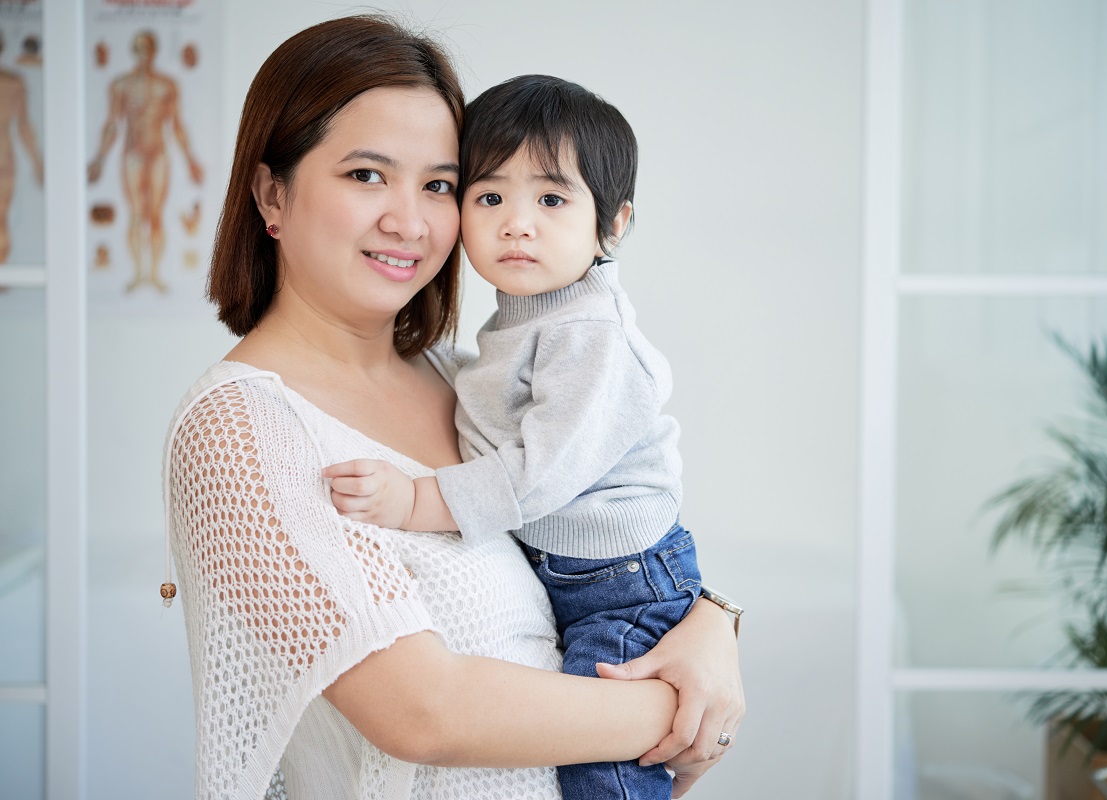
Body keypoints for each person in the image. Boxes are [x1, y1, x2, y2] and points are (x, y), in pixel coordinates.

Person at [162, 15, 743, 800]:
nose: (410, 220)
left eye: (438, 184)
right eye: (367, 175)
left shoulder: (457, 376)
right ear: (273, 193)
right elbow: (424, 713)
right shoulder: (241, 429)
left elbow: (594, 527)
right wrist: (677, 711)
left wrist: (713, 621)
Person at [323, 74, 712, 800]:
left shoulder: (589, 332)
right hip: (578, 569)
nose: (516, 222)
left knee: (604, 770)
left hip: (620, 585)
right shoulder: (522, 319)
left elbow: (538, 473)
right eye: (490, 196)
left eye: (552, 200)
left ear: (614, 224)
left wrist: (415, 499)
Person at [88, 30, 203, 293]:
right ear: (133, 50)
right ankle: (139, 273)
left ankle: (153, 274)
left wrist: (190, 160)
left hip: (159, 154)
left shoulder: (167, 85)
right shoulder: (121, 85)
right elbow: (112, 125)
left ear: (154, 51)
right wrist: (99, 160)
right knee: (137, 214)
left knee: (155, 215)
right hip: (133, 155)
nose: (143, 53)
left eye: (148, 48)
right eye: (139, 48)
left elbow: (176, 125)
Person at [0, 30, 42, 266]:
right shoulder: (14, 82)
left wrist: (37, 161)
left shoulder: (14, 82)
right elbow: (24, 127)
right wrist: (37, 161)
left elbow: (24, 126)